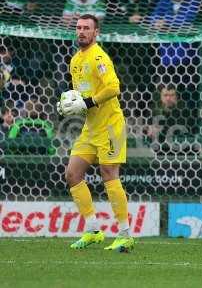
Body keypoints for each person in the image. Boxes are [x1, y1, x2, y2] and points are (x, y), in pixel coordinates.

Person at [56, 14, 134, 252]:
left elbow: (114, 87)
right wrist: (68, 105)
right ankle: (92, 230)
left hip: (111, 125)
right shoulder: (75, 60)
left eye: (86, 28)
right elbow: (81, 96)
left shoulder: (99, 57)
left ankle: (125, 234)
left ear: (95, 32)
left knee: (109, 173)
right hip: (90, 128)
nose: (81, 31)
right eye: (78, 27)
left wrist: (87, 103)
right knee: (72, 174)